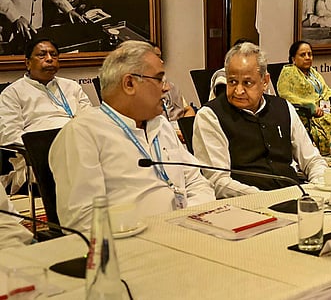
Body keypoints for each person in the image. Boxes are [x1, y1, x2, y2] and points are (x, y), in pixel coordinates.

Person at [49, 41, 215, 232]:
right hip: (132, 246)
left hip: (188, 231)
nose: (167, 88)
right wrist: (158, 229)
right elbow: (82, 222)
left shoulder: (161, 125)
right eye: (159, 79)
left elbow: (198, 182)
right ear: (129, 83)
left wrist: (186, 221)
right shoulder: (82, 134)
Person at [193, 42, 326, 198]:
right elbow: (218, 182)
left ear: (265, 81)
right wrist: (266, 197)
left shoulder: (283, 107)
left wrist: (317, 188)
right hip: (245, 207)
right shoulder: (210, 116)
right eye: (232, 81)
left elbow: (313, 160)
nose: (239, 90)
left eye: (247, 83)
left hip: (294, 196)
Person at [0, 38, 92, 193]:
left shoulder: (72, 87)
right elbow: (8, 134)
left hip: (80, 147)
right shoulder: (12, 93)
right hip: (41, 157)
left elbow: (90, 120)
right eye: (42, 55)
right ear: (28, 63)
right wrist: (46, 144)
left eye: (54, 55)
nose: (50, 59)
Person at [276, 40, 331, 156]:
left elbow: (326, 90)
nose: (307, 57)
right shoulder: (288, 73)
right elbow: (286, 95)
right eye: (303, 55)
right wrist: (311, 106)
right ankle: (327, 157)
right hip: (307, 114)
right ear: (293, 59)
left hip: (323, 109)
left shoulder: (313, 73)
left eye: (309, 54)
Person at [150, 43, 194, 122]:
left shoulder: (170, 85)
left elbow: (188, 109)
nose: (162, 61)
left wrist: (185, 128)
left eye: (160, 57)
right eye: (156, 56)